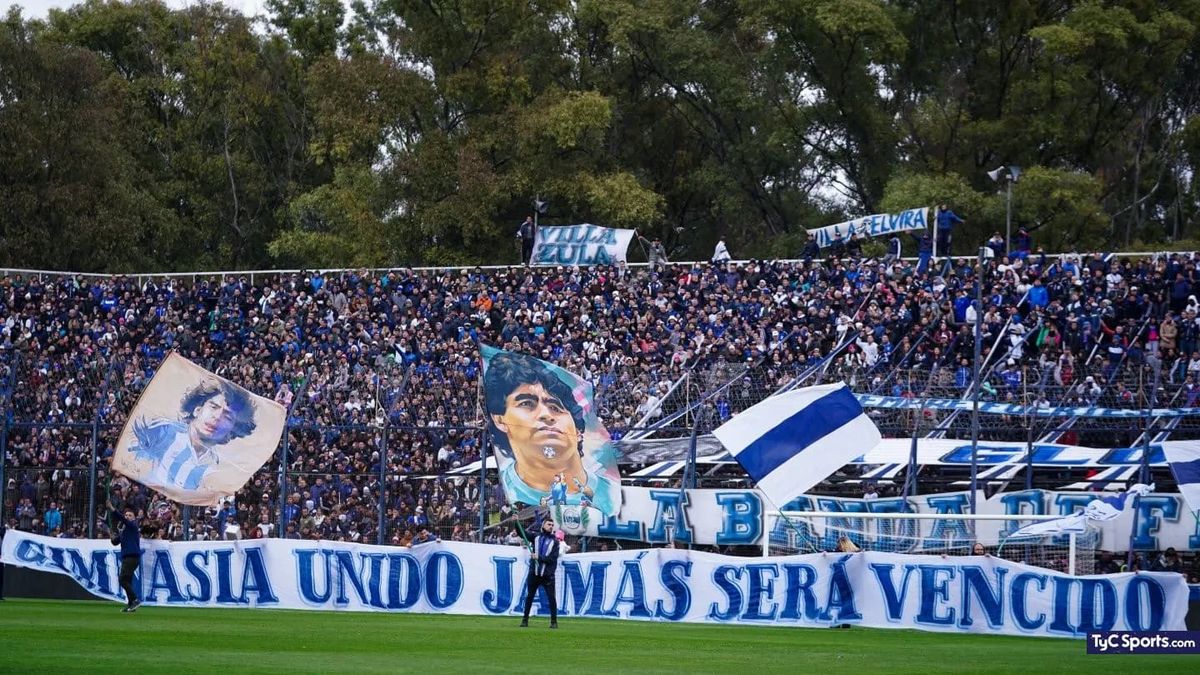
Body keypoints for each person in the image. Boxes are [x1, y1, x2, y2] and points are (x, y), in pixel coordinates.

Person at [484, 351, 619, 515]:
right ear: (499, 419)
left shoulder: (615, 498)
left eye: (555, 407)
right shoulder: (501, 493)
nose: (546, 414)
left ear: (578, 430)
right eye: (527, 403)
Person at [128, 380, 257, 493]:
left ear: (231, 431)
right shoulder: (163, 432)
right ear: (197, 410)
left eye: (227, 417)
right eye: (213, 407)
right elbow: (130, 460)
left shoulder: (216, 466)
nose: (217, 417)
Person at [520, 518, 560, 628]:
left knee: (551, 598)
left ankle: (553, 622)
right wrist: (516, 522)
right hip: (534, 573)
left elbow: (552, 559)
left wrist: (539, 557)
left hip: (547, 575)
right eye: (549, 524)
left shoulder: (555, 542)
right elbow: (522, 533)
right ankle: (525, 620)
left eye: (552, 525)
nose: (551, 526)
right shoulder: (536, 537)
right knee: (530, 596)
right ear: (543, 525)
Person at [108, 501, 143, 613]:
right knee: (127, 580)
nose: (127, 517)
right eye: (126, 515)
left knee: (122, 579)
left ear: (133, 518)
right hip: (129, 557)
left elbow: (122, 519)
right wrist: (112, 537)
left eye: (129, 515)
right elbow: (116, 542)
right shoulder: (125, 530)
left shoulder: (133, 526)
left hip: (131, 557)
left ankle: (135, 600)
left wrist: (112, 508)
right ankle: (131, 604)